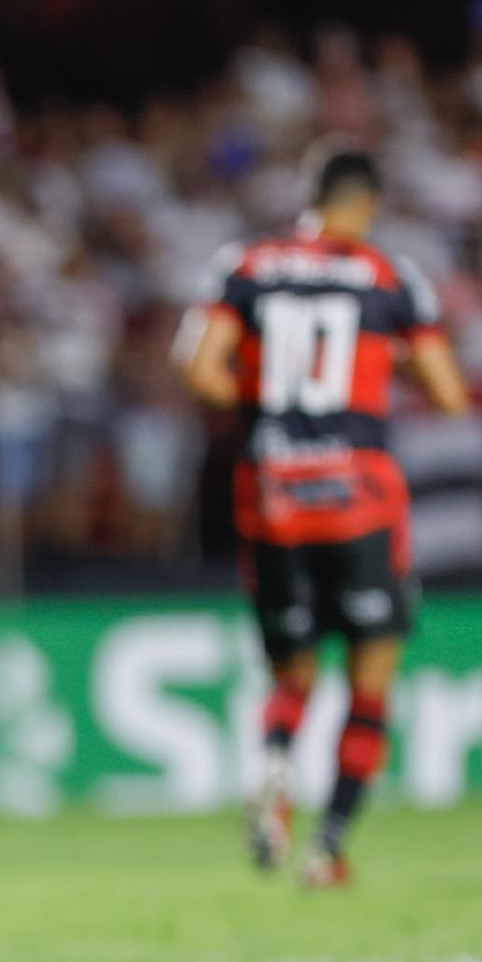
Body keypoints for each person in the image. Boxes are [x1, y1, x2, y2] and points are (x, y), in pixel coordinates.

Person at [182, 146, 471, 885]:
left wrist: (269, 407)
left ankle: (276, 759)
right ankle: (329, 844)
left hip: (275, 490)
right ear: (366, 205)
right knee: (371, 677)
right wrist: (386, 370)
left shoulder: (244, 265)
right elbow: (448, 395)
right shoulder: (388, 276)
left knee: (292, 673)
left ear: (307, 198)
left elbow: (199, 369)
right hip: (360, 497)